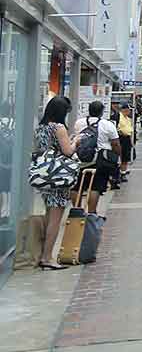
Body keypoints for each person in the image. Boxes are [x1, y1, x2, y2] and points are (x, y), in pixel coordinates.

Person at [31, 96, 77, 270]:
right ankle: (47, 257)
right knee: (55, 219)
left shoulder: (41, 127)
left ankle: (43, 254)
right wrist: (75, 142)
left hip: (44, 175)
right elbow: (68, 152)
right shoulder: (59, 128)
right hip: (58, 177)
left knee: (49, 214)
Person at [71, 100, 121, 213]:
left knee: (77, 186)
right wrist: (117, 156)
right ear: (102, 112)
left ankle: (77, 210)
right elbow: (115, 144)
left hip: (80, 159)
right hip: (99, 160)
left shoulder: (79, 123)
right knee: (95, 187)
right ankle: (92, 213)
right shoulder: (107, 124)